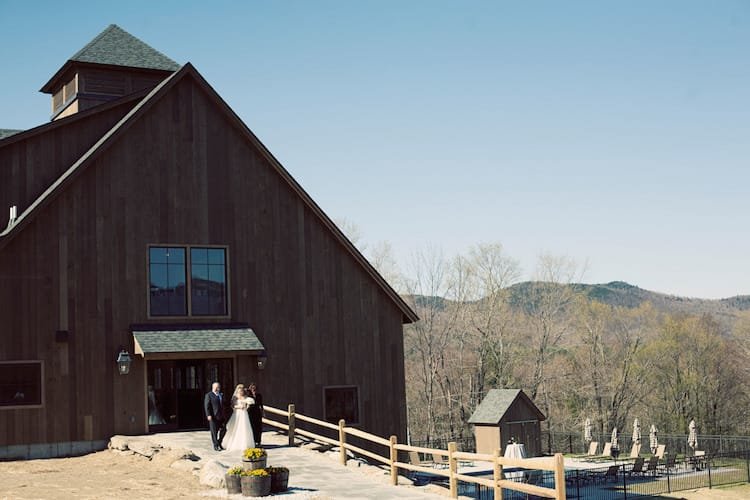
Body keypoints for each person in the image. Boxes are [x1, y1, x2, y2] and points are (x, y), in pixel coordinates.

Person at [223, 384, 255, 451]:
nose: (241, 392)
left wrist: (247, 406)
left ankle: (245, 444)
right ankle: (234, 443)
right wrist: (239, 407)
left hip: (244, 414)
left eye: (242, 391)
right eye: (239, 391)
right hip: (237, 413)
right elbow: (232, 406)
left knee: (244, 428)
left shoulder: (245, 397)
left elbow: (250, 402)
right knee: (235, 427)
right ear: (237, 391)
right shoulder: (235, 397)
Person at [204, 382, 227, 451]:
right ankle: (215, 445)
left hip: (221, 416)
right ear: (213, 387)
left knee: (224, 430)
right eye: (216, 387)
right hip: (213, 416)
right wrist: (208, 415)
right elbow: (206, 406)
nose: (217, 388)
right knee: (214, 431)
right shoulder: (209, 395)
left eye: (218, 387)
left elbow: (224, 404)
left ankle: (219, 442)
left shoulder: (221, 395)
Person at [247, 382, 264, 447]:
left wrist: (262, 412)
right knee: (252, 427)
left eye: (255, 389)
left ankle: (258, 441)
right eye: (252, 389)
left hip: (257, 413)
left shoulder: (259, 395)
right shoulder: (248, 396)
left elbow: (261, 404)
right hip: (251, 413)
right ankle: (253, 441)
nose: (254, 390)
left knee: (259, 428)